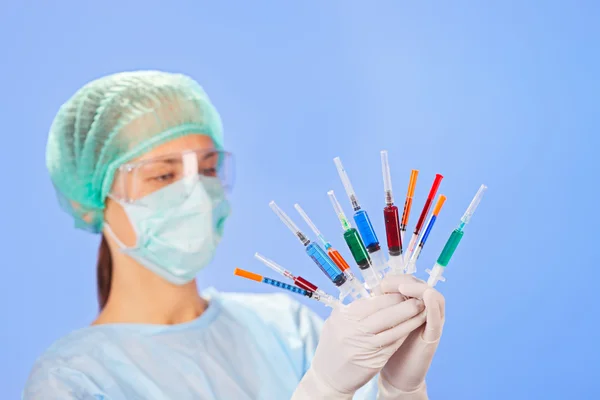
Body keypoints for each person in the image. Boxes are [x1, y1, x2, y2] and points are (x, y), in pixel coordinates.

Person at [24, 70, 445, 399]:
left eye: (207, 170)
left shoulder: (285, 329)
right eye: (164, 174)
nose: (196, 195)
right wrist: (323, 391)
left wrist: (399, 390)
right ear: (96, 198)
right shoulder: (72, 379)